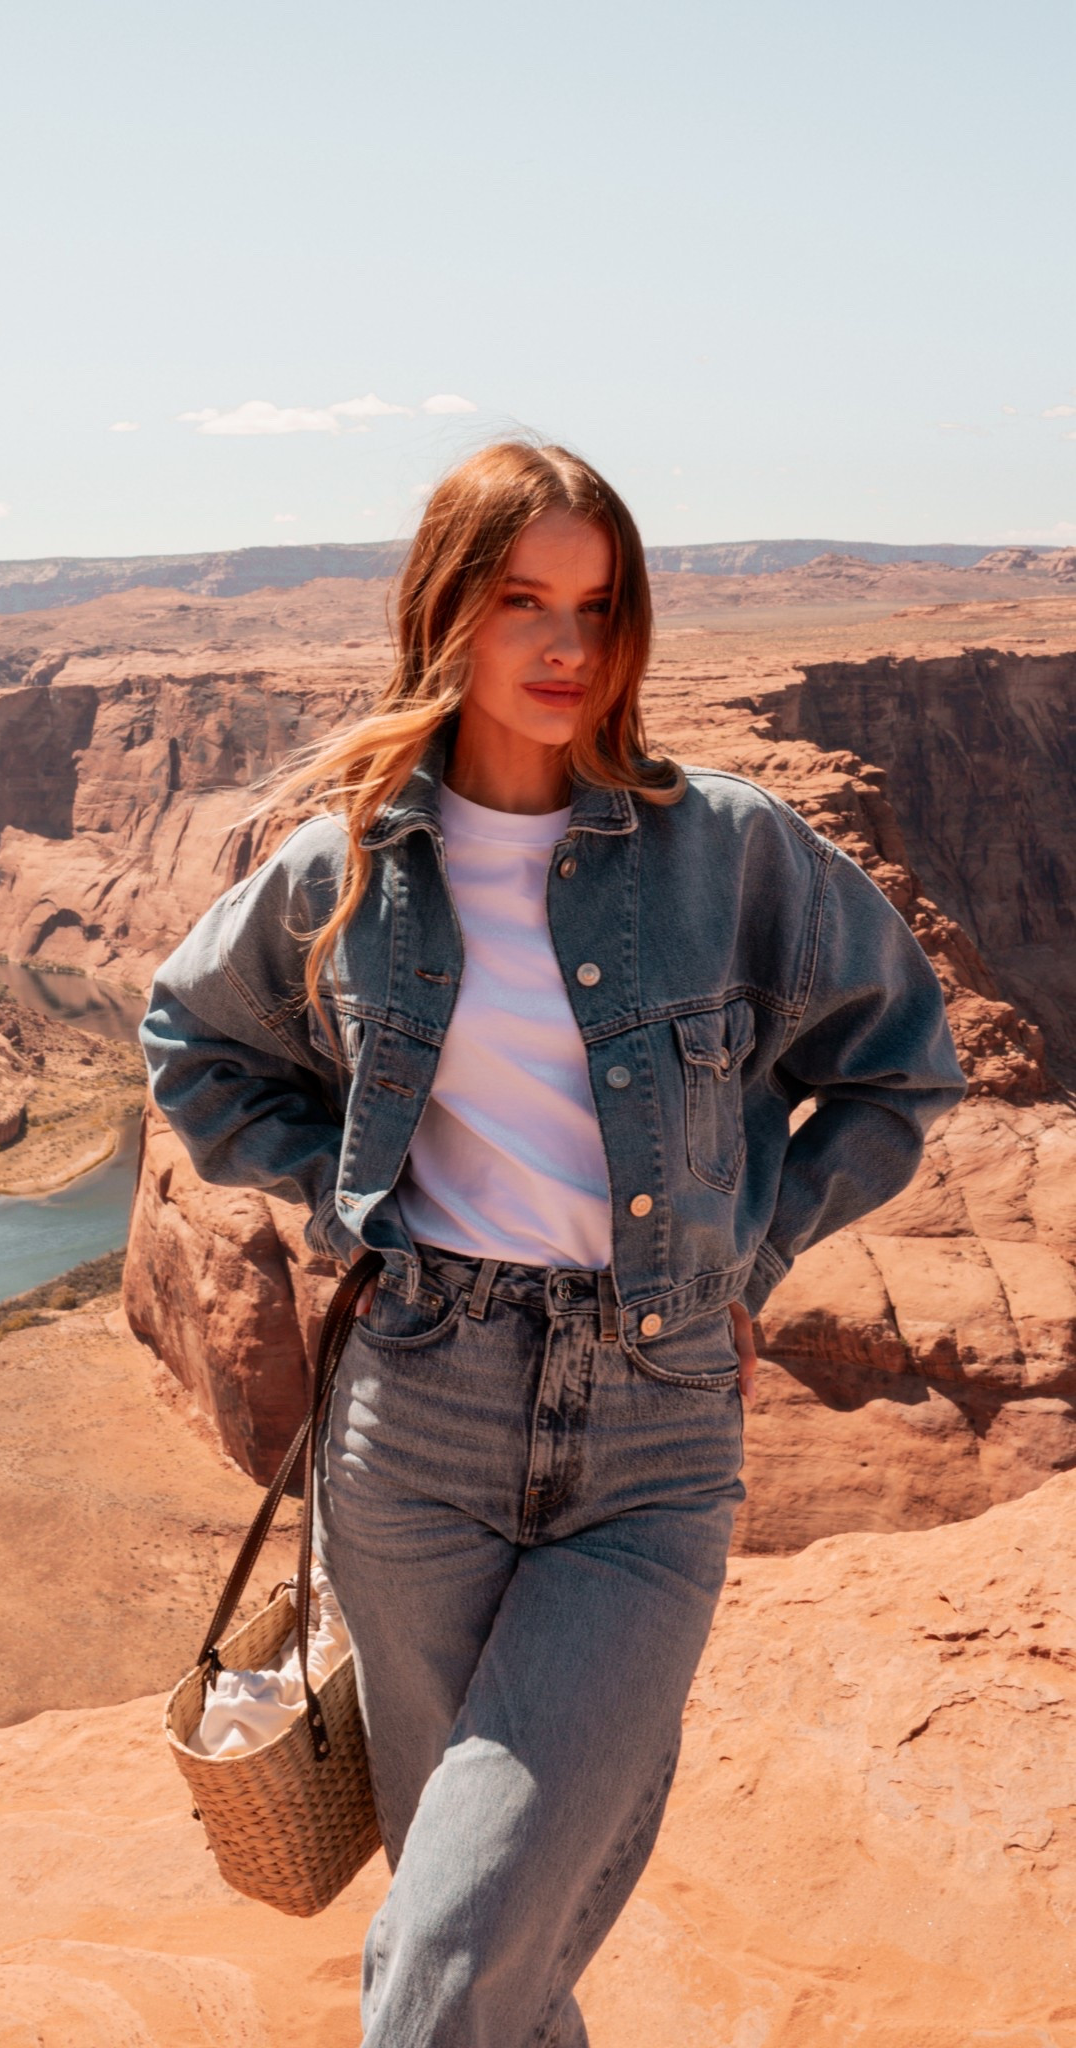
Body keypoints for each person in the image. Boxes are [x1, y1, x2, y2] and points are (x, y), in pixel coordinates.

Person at [140, 441, 964, 2046]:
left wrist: (751, 1255)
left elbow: (899, 1070)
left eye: (600, 605)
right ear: (446, 613)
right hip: (415, 1421)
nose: (567, 647)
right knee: (488, 1949)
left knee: (443, 1965)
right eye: (523, 601)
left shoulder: (727, 850)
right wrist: (346, 1200)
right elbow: (194, 1040)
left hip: (652, 1435)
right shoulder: (351, 865)